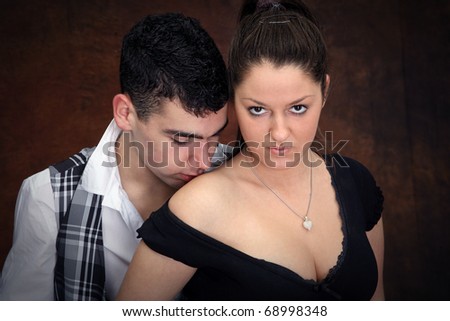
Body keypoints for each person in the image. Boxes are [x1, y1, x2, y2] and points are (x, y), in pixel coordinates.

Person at [117, 0, 385, 301]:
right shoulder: (197, 207)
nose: (279, 133)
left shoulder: (356, 183)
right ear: (234, 100)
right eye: (258, 109)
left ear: (324, 91)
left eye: (298, 108)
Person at [0, 13, 230, 300]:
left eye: (215, 136)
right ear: (125, 113)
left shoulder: (236, 175)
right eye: (182, 140)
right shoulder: (47, 197)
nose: (204, 161)